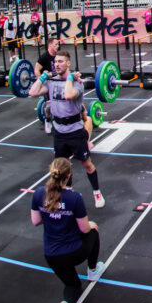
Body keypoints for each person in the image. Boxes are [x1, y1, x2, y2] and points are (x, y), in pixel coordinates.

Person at [30, 157, 105, 303]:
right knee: (93, 232)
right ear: (69, 175)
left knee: (72, 284)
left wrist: (52, 215)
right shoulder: (74, 198)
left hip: (52, 255)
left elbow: (35, 221)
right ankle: (93, 270)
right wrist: (91, 224)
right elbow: (84, 229)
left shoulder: (39, 193)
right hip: (73, 252)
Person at [29, 50, 105, 208]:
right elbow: (32, 92)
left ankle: (97, 192)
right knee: (63, 166)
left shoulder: (77, 83)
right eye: (55, 62)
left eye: (60, 62)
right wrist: (42, 77)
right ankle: (68, 192)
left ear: (68, 63)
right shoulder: (51, 82)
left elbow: (69, 95)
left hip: (75, 132)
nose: (57, 65)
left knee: (87, 164)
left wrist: (70, 78)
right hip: (59, 132)